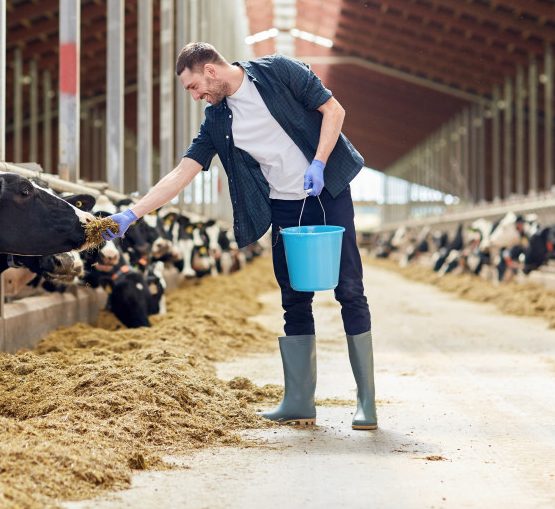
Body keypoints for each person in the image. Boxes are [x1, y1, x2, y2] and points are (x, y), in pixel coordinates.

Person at [103, 42, 375, 430]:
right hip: (282, 206)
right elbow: (182, 173)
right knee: (294, 298)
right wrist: (133, 212)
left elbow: (334, 110)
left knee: (349, 288)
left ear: (211, 71)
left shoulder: (279, 71)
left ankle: (366, 401)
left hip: (327, 192)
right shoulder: (217, 121)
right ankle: (299, 400)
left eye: (194, 87)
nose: (196, 96)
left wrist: (319, 161)